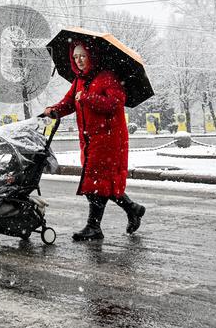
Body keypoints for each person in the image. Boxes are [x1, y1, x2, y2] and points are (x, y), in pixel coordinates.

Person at [41, 41, 144, 241]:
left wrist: (88, 98)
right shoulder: (79, 81)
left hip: (109, 139)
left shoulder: (107, 77)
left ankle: (94, 226)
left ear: (91, 56)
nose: (78, 60)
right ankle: (132, 209)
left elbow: (115, 103)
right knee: (99, 182)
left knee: (96, 182)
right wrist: (54, 110)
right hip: (90, 140)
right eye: (75, 57)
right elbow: (69, 102)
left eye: (82, 56)